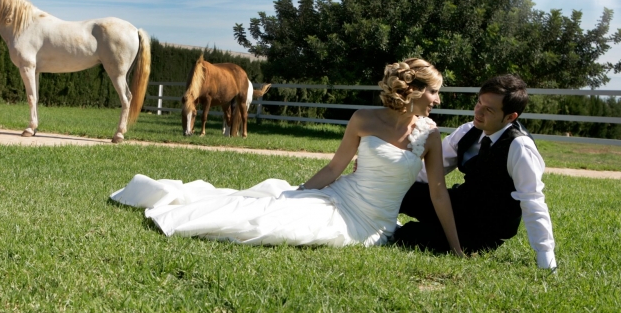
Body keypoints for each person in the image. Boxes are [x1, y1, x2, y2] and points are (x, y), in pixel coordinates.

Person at [111, 59, 464, 255]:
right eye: (434, 91)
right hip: (339, 200)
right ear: (413, 90)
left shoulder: (430, 136)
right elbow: (334, 168)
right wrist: (300, 191)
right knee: (271, 215)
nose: (437, 100)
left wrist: (456, 247)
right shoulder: (364, 119)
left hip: (375, 224)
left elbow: (438, 193)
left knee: (279, 223)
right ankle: (168, 205)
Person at [394, 74, 557, 270]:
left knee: (407, 237)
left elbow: (533, 202)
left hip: (485, 229)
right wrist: (391, 180)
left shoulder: (520, 147)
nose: (479, 112)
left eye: (489, 109)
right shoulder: (467, 131)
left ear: (511, 117)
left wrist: (545, 257)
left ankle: (405, 231)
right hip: (459, 206)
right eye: (479, 103)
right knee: (398, 192)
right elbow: (427, 172)